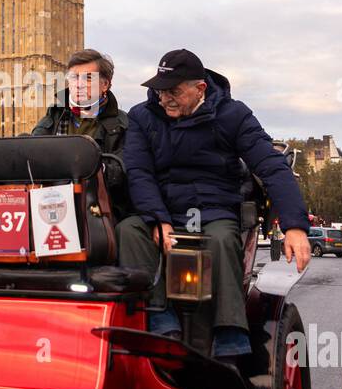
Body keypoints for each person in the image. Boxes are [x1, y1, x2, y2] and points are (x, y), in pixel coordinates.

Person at [118, 48, 311, 361]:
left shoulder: (234, 115)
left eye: (174, 92)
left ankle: (230, 332)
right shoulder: (142, 117)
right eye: (160, 91)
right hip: (164, 208)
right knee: (128, 230)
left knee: (221, 239)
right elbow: (139, 172)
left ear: (200, 89)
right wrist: (156, 218)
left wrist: (295, 227)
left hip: (214, 209)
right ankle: (158, 315)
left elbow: (271, 166)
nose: (165, 98)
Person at [32, 48, 130, 218]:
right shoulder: (54, 115)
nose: (79, 84)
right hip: (53, 204)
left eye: (88, 78)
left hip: (101, 209)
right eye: (74, 77)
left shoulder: (122, 124)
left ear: (105, 84)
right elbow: (31, 151)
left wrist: (92, 168)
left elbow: (123, 172)